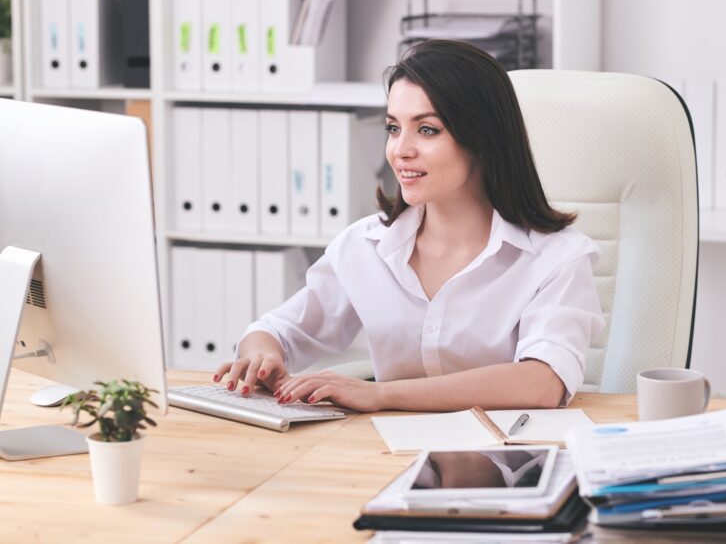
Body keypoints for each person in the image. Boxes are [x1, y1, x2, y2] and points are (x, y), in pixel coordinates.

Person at [214, 39, 604, 412]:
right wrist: (261, 356)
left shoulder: (558, 257)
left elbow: (542, 382)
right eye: (393, 128)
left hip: (508, 461)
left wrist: (381, 395)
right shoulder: (363, 246)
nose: (401, 150)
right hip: (385, 456)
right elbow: (278, 331)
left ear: (483, 139)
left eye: (427, 129)